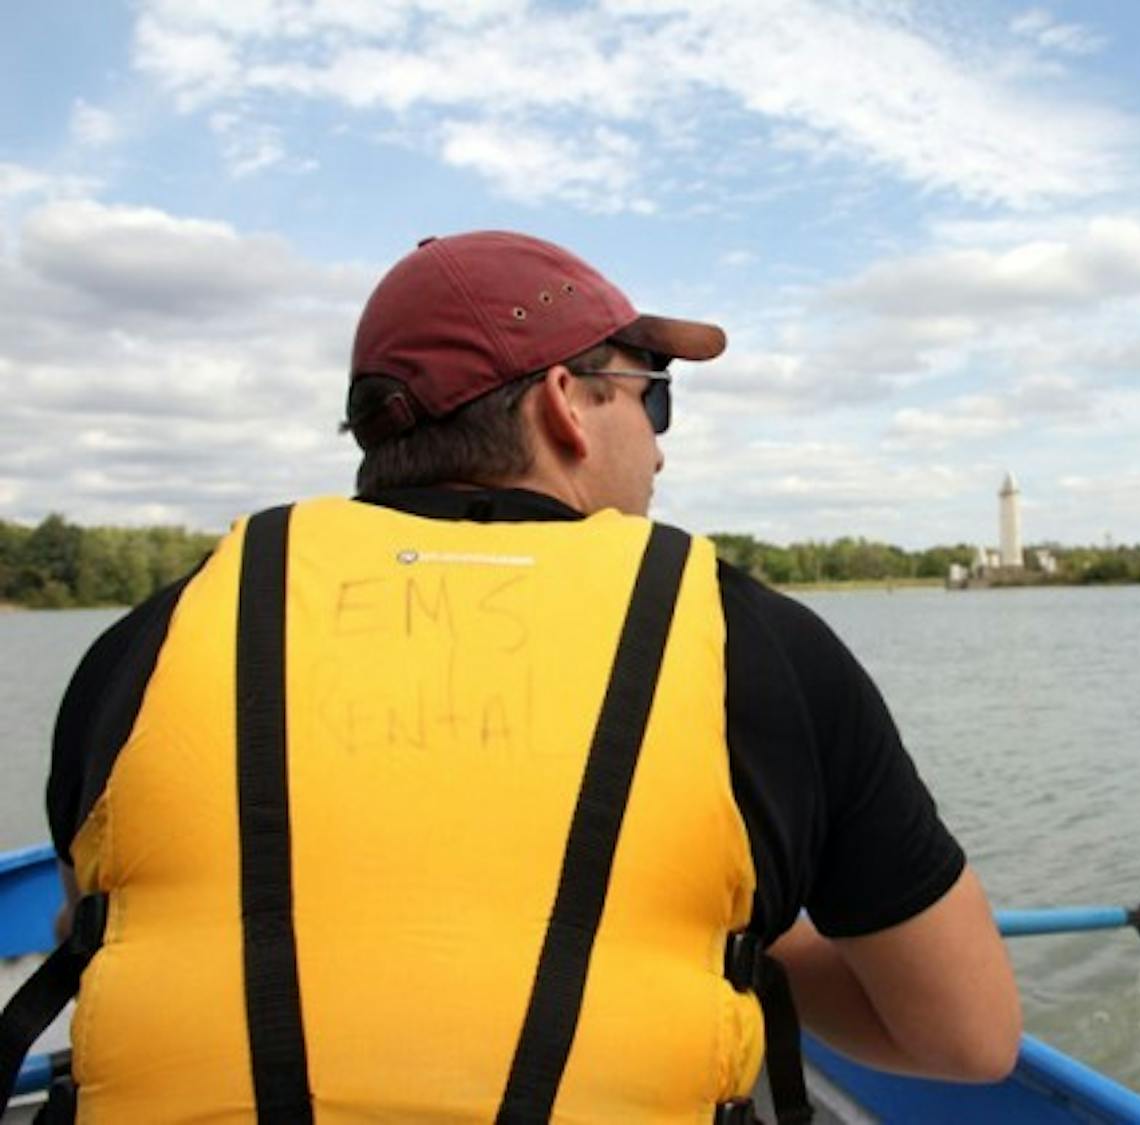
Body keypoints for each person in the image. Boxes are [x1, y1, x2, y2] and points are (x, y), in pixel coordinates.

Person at [20, 231, 1020, 1122]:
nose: (662, 449)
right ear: (565, 405)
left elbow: (99, 921)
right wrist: (738, 940)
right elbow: (966, 1038)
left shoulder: (149, 644)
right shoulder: (757, 647)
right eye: (652, 395)